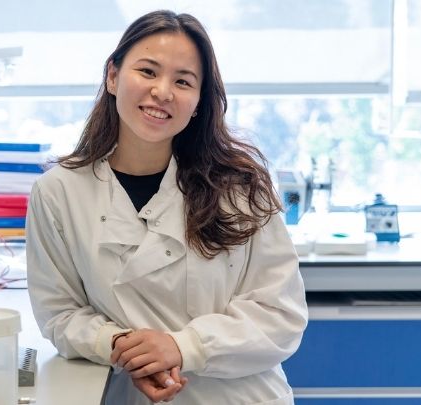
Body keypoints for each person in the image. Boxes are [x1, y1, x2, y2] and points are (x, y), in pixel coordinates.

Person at [27, 9, 308, 404]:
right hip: (133, 392)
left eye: (183, 81)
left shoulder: (239, 187)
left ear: (198, 101)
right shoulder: (59, 192)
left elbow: (281, 315)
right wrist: (123, 346)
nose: (163, 91)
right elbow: (59, 313)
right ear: (112, 76)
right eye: (147, 71)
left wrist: (183, 347)